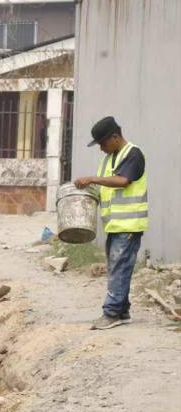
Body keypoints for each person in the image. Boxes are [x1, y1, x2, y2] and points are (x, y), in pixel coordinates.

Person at [72, 116, 148, 330]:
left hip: (129, 225)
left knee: (119, 268)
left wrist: (91, 179)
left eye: (103, 144)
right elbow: (105, 188)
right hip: (115, 225)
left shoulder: (133, 154)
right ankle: (122, 311)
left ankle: (112, 313)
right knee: (118, 266)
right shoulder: (110, 158)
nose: (101, 149)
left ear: (115, 137)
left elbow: (123, 181)